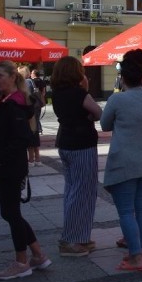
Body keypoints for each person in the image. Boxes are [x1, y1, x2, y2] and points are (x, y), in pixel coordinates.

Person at [0, 61, 51, 280]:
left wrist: (1, 159)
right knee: (11, 212)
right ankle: (38, 255)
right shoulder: (2, 101)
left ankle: (22, 261)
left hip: (9, 165)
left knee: (10, 212)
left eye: (0, 75)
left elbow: (21, 139)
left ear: (13, 77)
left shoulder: (15, 104)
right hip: (5, 164)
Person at [100, 49, 142, 271]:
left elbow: (105, 125)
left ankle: (135, 256)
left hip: (125, 161)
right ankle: (140, 242)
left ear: (122, 77)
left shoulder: (117, 99)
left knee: (126, 210)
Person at [51, 56, 103, 258]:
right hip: (82, 145)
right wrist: (86, 90)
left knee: (72, 190)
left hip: (65, 142)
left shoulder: (56, 93)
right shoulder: (79, 93)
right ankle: (71, 240)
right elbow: (99, 113)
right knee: (83, 192)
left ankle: (78, 236)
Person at [18, 66, 42, 166]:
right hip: (35, 109)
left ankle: (31, 159)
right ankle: (37, 159)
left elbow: (26, 97)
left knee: (30, 133)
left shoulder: (26, 82)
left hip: (30, 111)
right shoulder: (31, 81)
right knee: (35, 133)